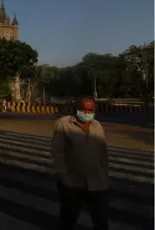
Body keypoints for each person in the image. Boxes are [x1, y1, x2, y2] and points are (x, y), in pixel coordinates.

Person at [51, 97, 109, 230]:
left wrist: (105, 175)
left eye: (91, 110)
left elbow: (102, 152)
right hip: (73, 183)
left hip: (98, 182)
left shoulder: (97, 126)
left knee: (101, 220)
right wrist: (65, 180)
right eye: (84, 110)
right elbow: (58, 153)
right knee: (68, 220)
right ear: (76, 109)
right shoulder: (63, 124)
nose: (87, 113)